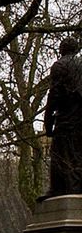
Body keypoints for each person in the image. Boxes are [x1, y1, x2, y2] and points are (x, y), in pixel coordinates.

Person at [43, 36, 82, 197]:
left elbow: (55, 94)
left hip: (67, 118)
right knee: (78, 152)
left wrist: (48, 119)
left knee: (60, 151)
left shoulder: (59, 65)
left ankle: (61, 188)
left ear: (62, 50)